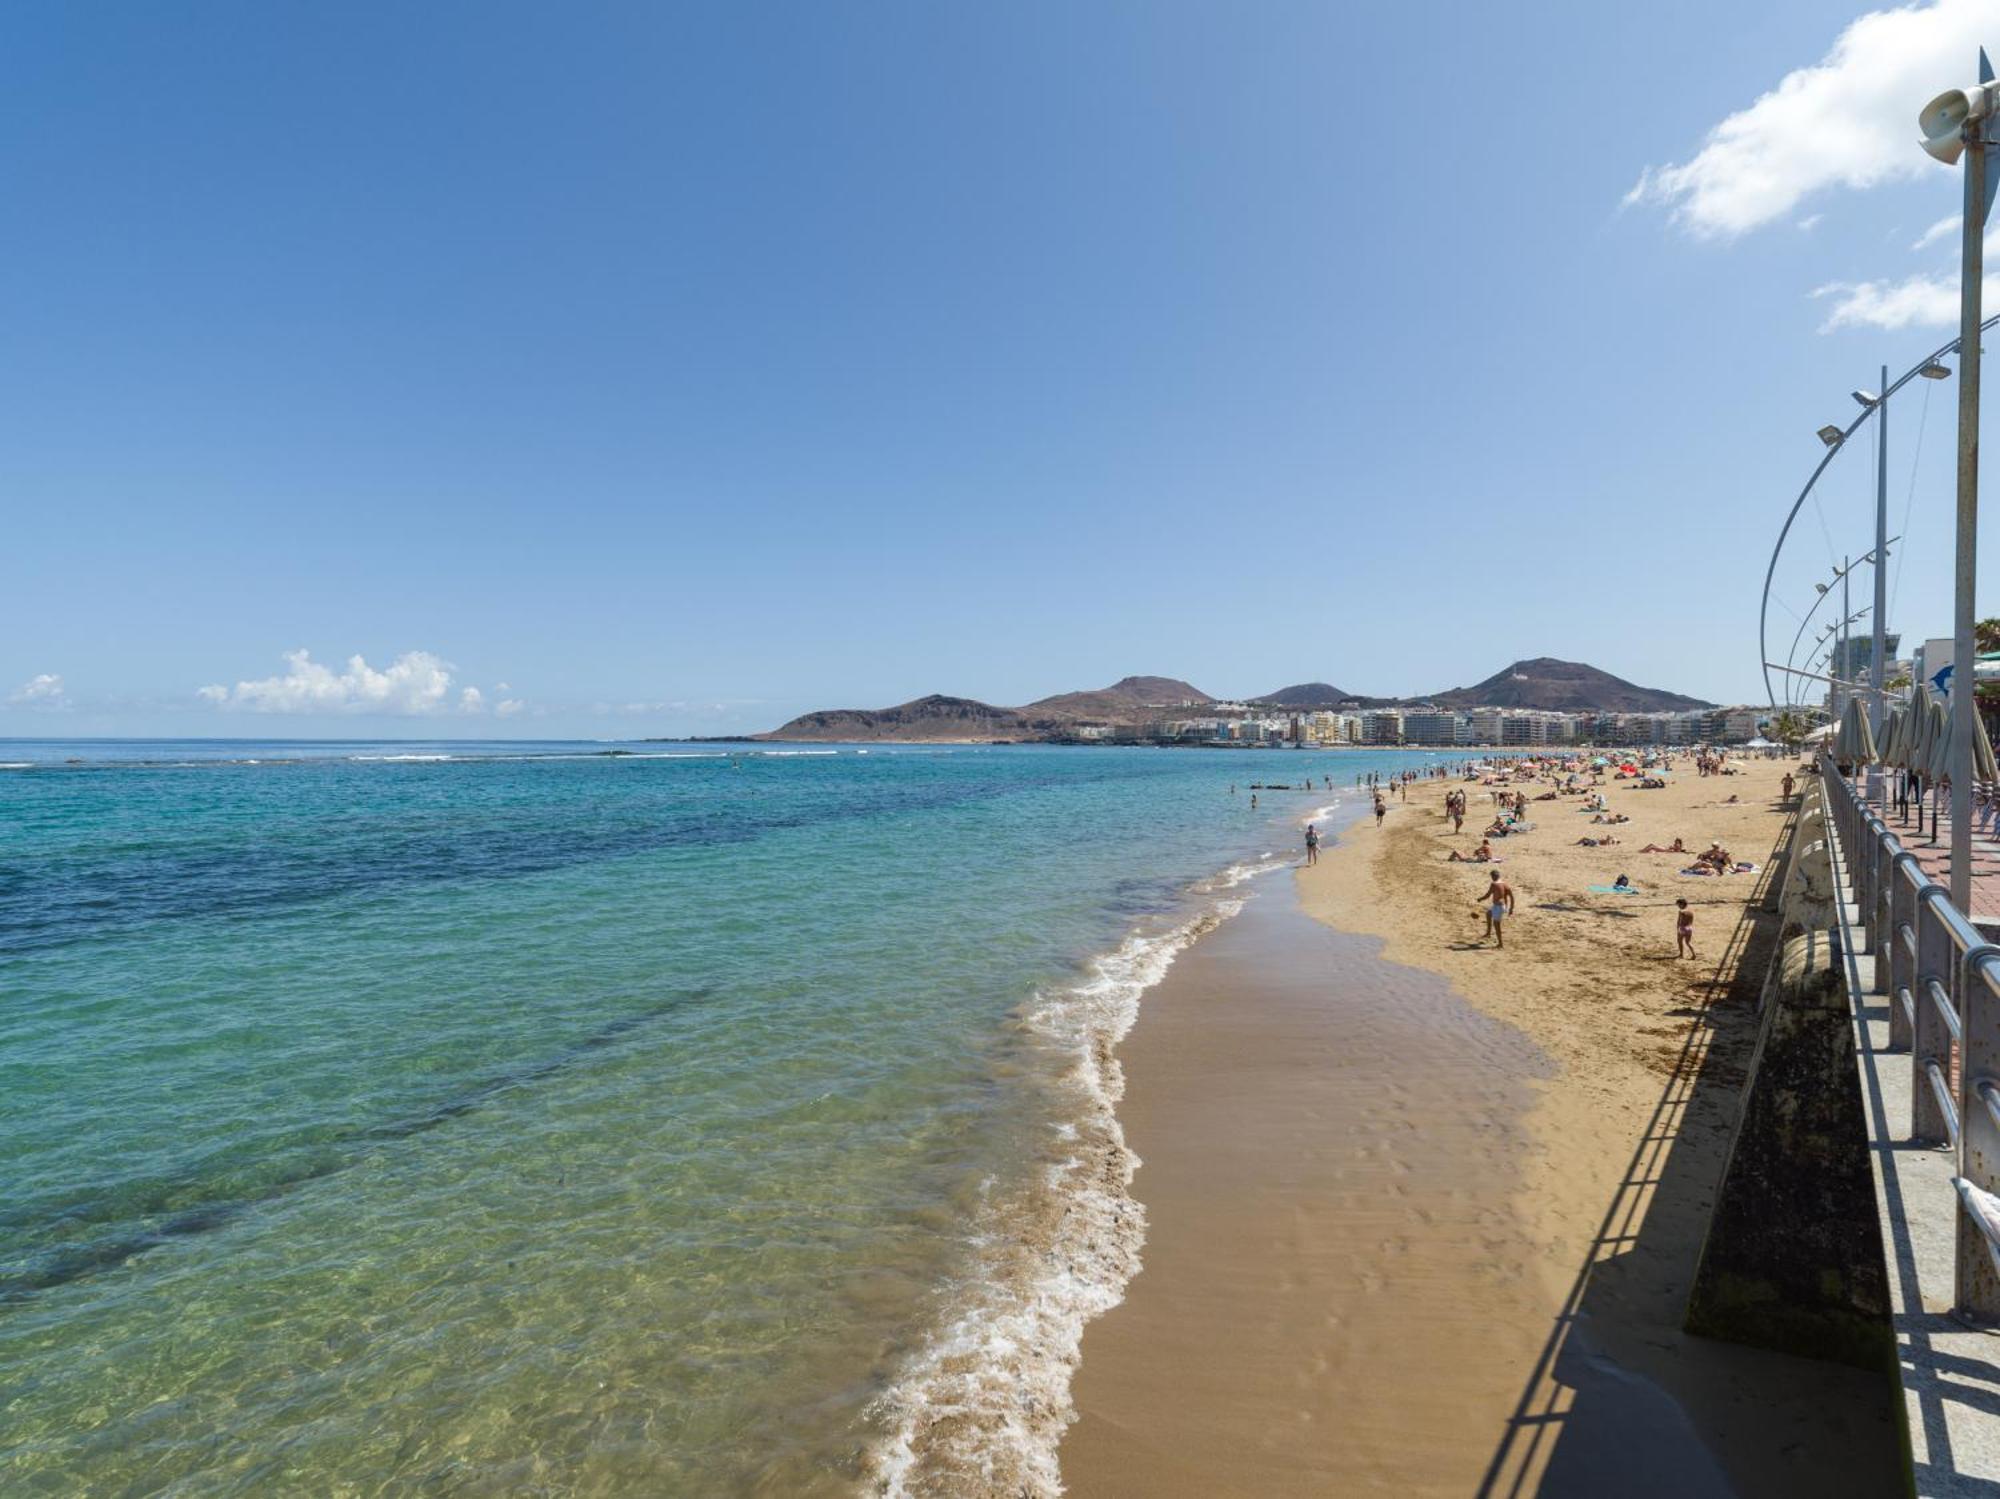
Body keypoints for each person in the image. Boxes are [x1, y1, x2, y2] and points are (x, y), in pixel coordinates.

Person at [1480, 871, 1515, 948]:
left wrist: (1480, 899)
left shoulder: (1494, 884)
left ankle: (1500, 944)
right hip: (1503, 906)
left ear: (1493, 876)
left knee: (1497, 925)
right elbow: (1512, 897)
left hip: (1498, 907)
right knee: (1488, 914)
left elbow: (1488, 895)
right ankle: (1488, 933)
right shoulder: (1505, 884)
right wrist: (1511, 908)